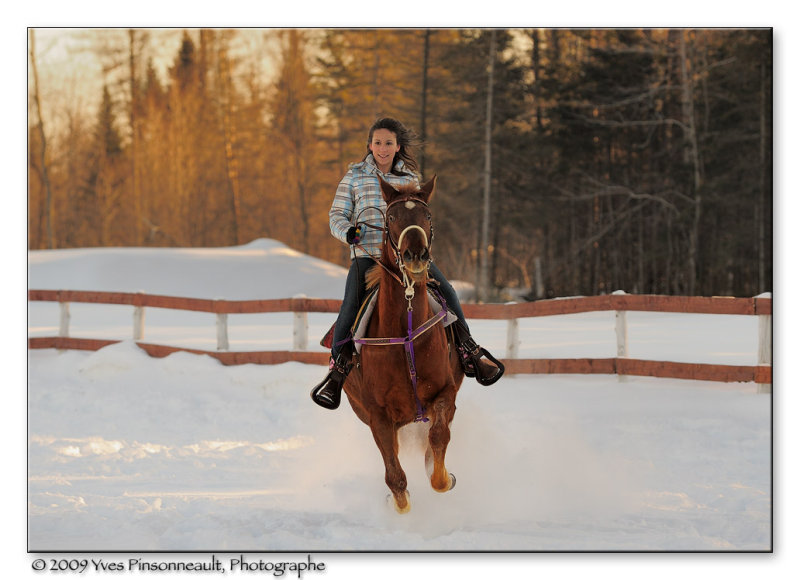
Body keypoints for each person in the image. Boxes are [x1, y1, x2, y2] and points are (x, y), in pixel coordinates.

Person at [311, 117, 504, 410]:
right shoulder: (354, 176)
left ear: (398, 146)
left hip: (409, 259)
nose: (382, 148)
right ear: (370, 145)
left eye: (388, 143)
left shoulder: (409, 177)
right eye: (377, 142)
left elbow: (420, 216)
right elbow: (336, 215)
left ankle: (469, 351)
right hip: (368, 257)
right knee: (350, 306)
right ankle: (338, 372)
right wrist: (348, 232)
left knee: (448, 292)